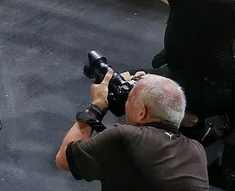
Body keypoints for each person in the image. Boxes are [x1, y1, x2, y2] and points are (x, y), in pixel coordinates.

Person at [56, 71, 208, 190]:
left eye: (128, 99)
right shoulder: (197, 150)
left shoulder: (126, 137)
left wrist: (96, 106)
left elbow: (64, 159)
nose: (125, 104)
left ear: (142, 113)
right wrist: (147, 84)